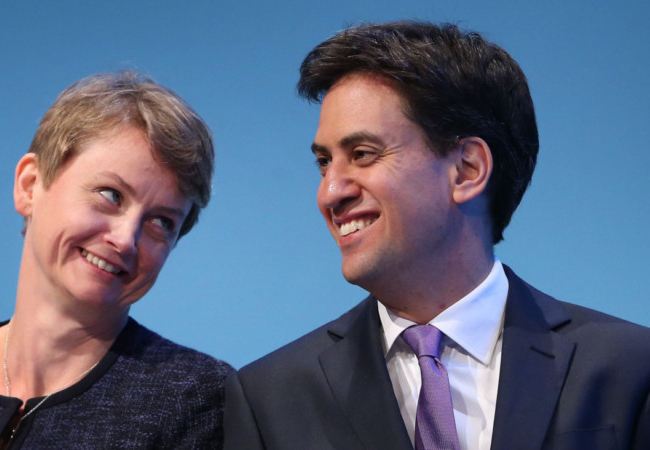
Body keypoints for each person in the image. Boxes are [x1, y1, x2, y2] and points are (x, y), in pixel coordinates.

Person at [224, 21, 650, 450]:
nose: (330, 193)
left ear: (467, 169)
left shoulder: (629, 369)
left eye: (362, 155)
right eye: (323, 162)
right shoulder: (269, 399)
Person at [0, 71, 231, 448]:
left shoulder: (199, 401)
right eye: (111, 195)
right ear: (29, 186)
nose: (126, 240)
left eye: (160, 221)